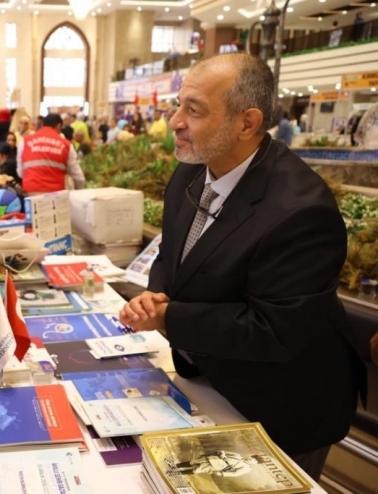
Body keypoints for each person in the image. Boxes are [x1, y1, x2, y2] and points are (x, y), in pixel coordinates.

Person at [119, 53, 362, 482]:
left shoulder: (299, 211)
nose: (175, 121)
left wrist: (169, 316)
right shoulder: (191, 174)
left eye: (193, 110)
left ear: (246, 124)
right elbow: (171, 254)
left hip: (283, 407)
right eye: (179, 105)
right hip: (211, 382)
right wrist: (155, 294)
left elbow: (272, 329)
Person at [17, 113, 85, 195]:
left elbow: (20, 172)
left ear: (42, 124)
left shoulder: (25, 141)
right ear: (59, 126)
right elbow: (78, 176)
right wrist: (78, 191)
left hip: (30, 192)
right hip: (55, 195)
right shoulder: (66, 145)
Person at [175, 451, 265, 477]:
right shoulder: (238, 455)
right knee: (193, 462)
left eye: (254, 460)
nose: (251, 459)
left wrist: (223, 473)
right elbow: (224, 451)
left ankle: (175, 473)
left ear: (255, 464)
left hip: (216, 466)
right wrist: (223, 453)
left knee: (196, 470)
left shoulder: (247, 468)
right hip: (212, 458)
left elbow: (235, 473)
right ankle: (176, 466)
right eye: (252, 457)